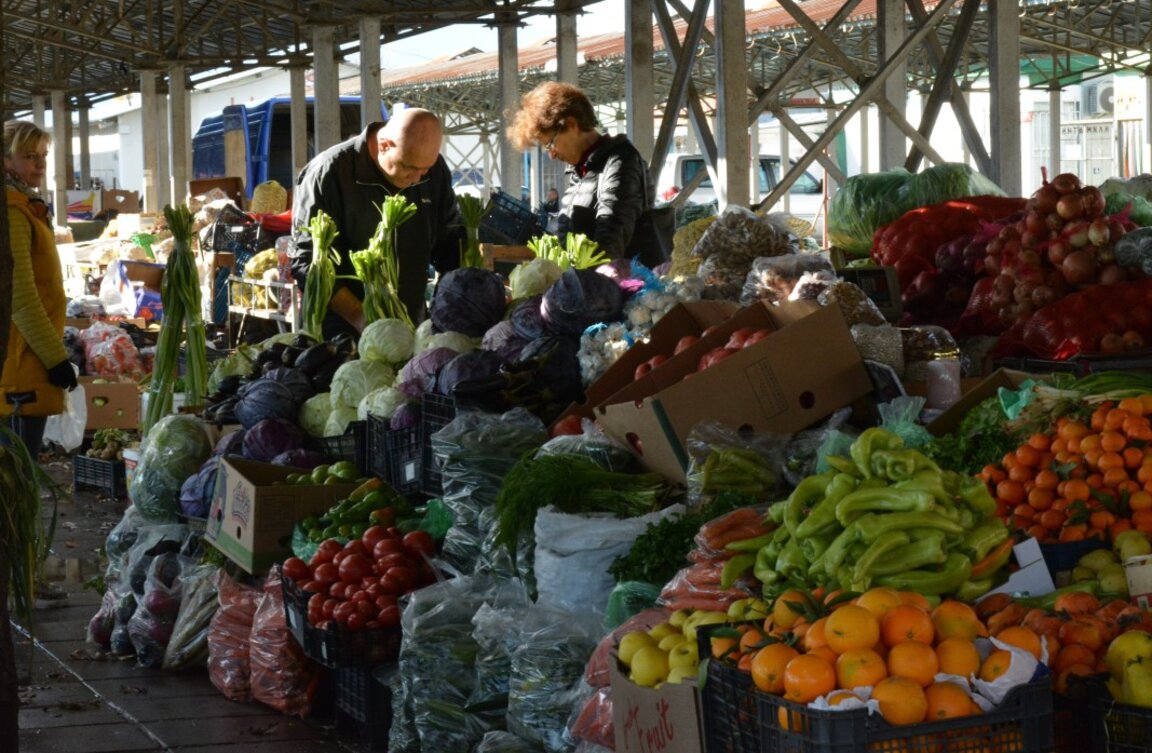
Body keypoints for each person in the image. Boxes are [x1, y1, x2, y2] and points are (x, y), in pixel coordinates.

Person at [289, 108, 463, 336]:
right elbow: (306, 261)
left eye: (425, 169)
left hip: (410, 329)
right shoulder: (329, 172)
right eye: (409, 167)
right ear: (384, 145)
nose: (417, 178)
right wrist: (362, 319)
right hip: (340, 334)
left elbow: (449, 242)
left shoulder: (434, 171)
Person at [3, 119, 77, 608]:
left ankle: (23, 579)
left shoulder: (27, 207)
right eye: (29, 157)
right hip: (20, 367)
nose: (38, 165)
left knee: (19, 482)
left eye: (42, 157)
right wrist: (56, 359)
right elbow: (20, 296)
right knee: (15, 485)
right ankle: (17, 585)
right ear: (5, 160)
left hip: (27, 361)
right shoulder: (10, 211)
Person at [506, 82, 668, 268]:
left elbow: (610, 243)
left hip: (620, 289)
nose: (551, 154)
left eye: (550, 144)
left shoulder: (620, 162)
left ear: (571, 124)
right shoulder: (582, 171)